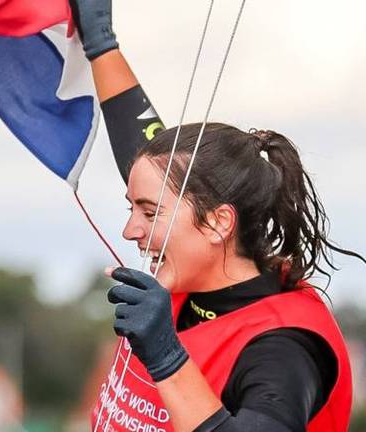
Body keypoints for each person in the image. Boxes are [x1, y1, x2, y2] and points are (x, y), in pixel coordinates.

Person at [69, 1, 362, 431]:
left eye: (148, 212)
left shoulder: (285, 344)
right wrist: (100, 43)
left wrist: (166, 355)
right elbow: (141, 141)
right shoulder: (186, 273)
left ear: (218, 223)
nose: (130, 230)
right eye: (131, 207)